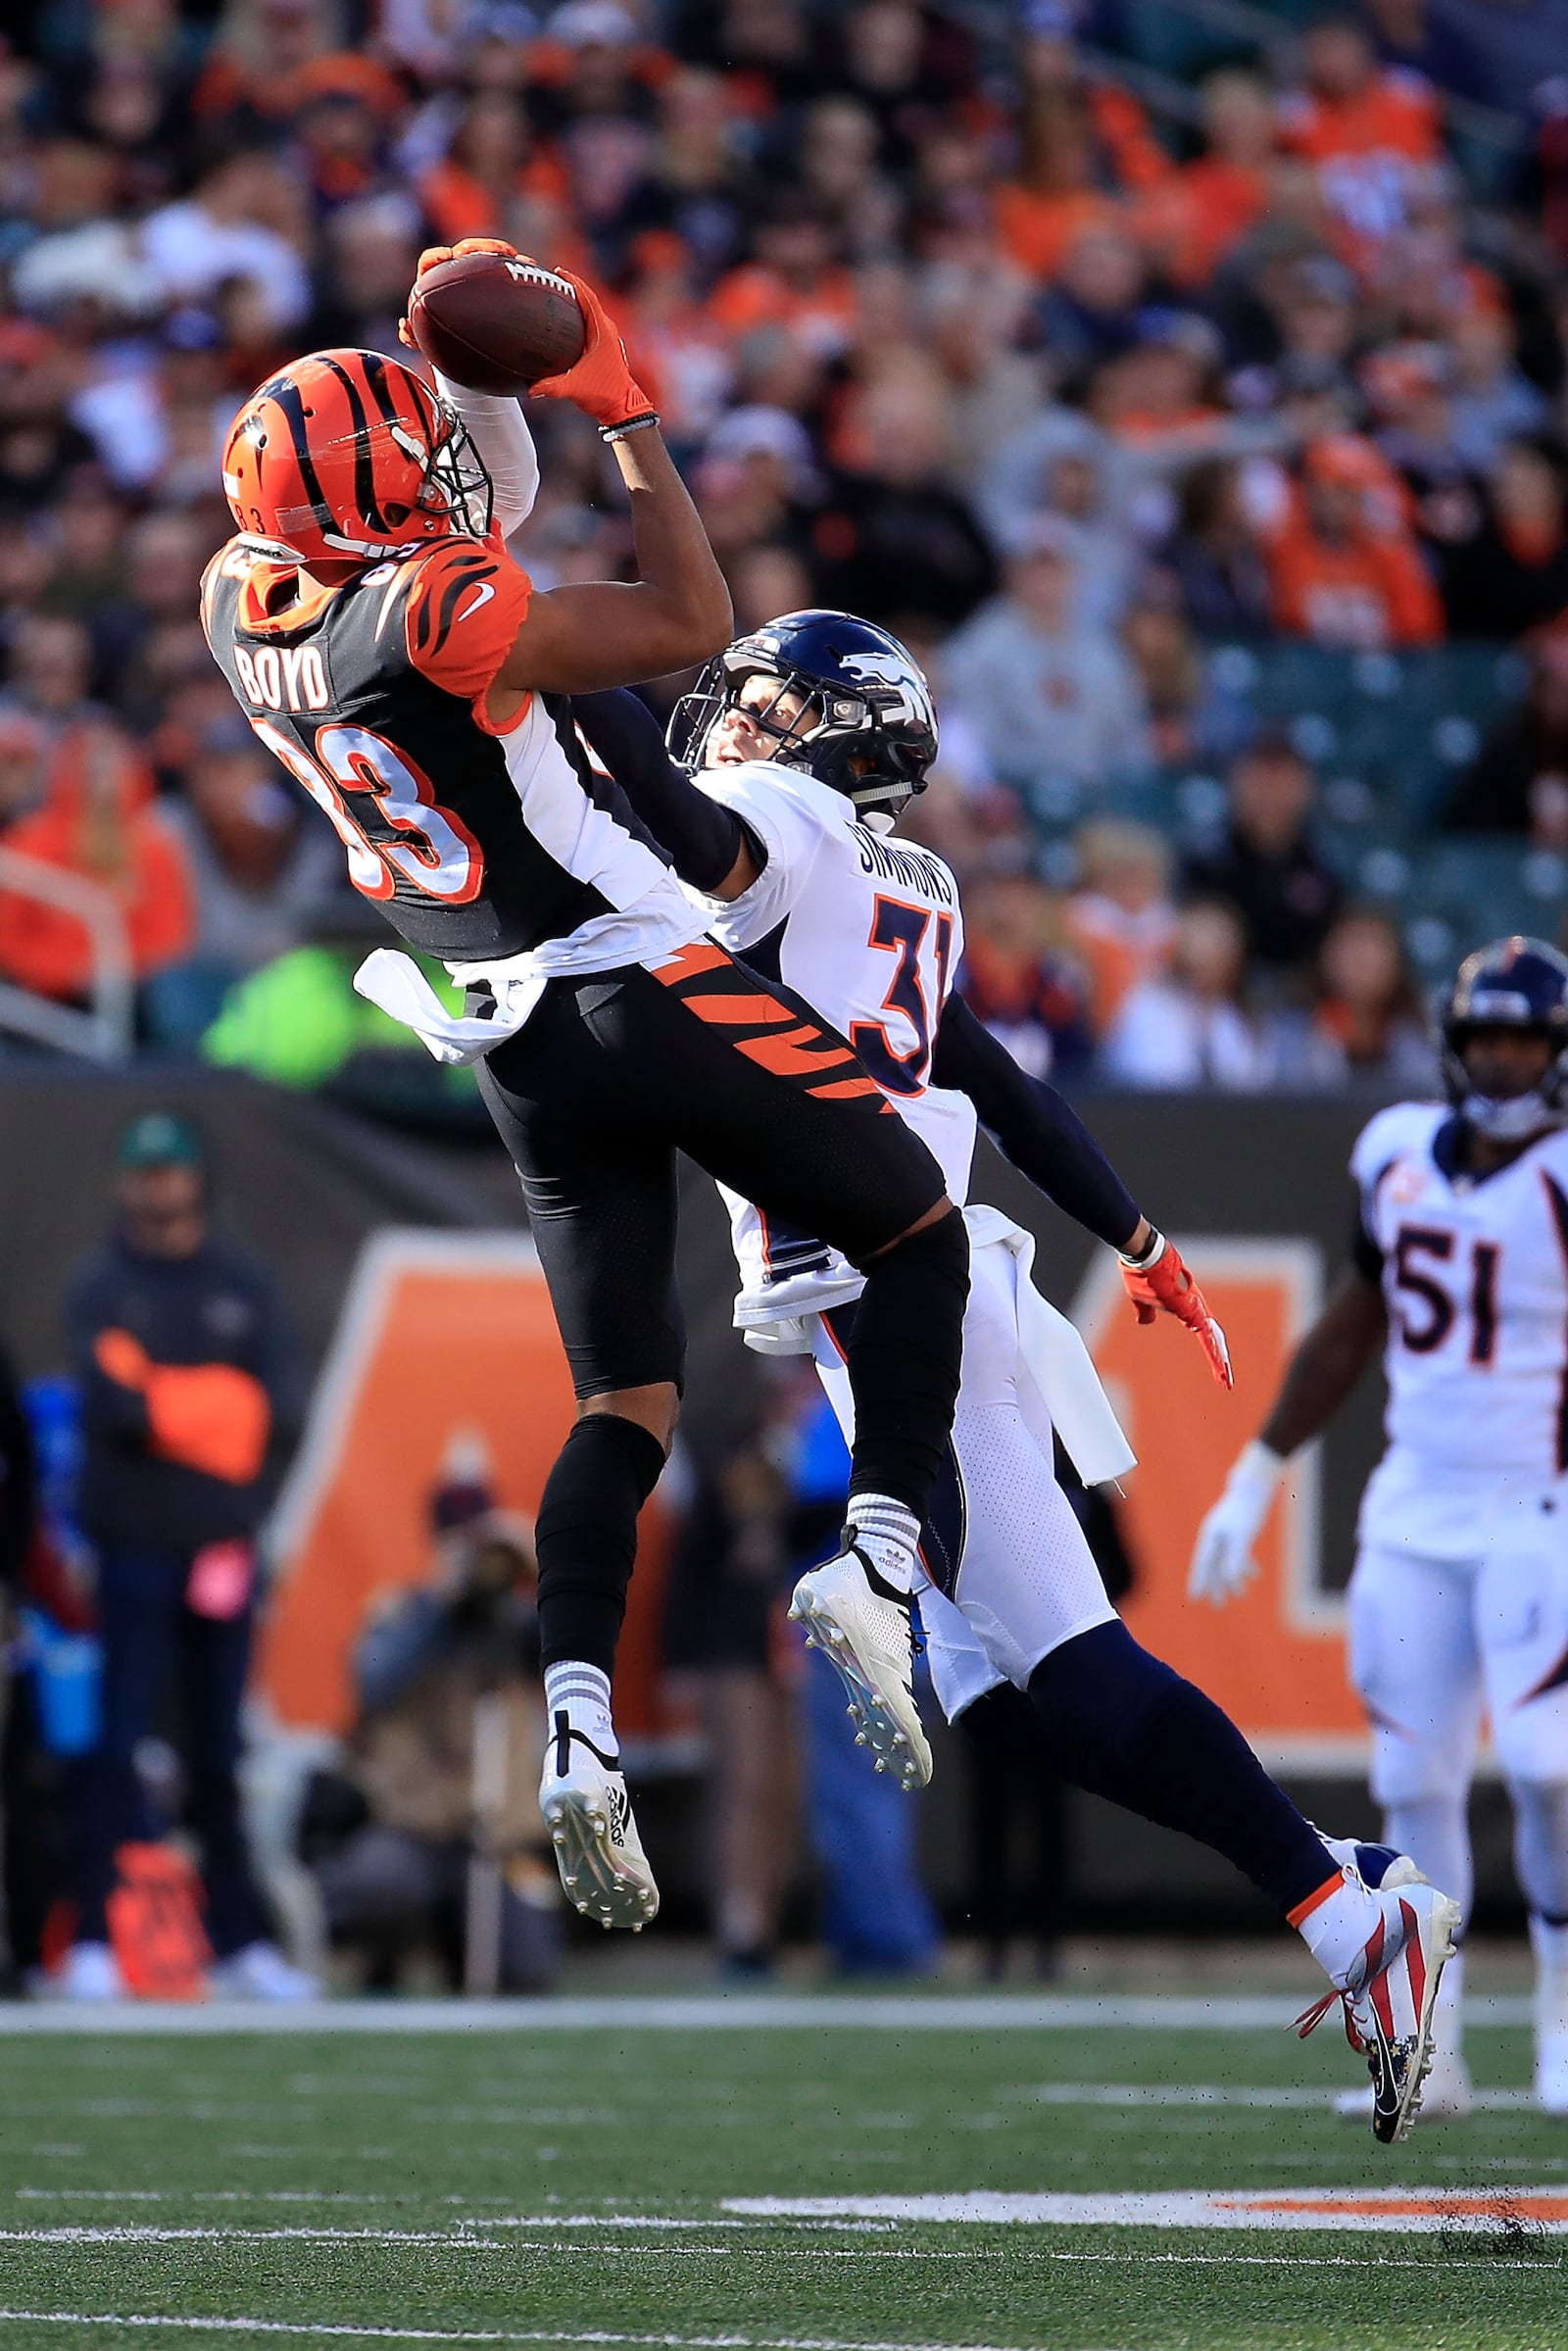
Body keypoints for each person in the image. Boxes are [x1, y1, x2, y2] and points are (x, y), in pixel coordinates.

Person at [576, 621, 1461, 2143]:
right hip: (918, 1273)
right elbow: (999, 1077)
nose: (732, 721)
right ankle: (1344, 1873)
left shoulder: (782, 826)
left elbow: (669, 810)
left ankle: (1341, 1909)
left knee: (1059, 1653)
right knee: (1000, 1686)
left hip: (887, 1275)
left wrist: (546, 644)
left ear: (818, 732)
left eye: (765, 702)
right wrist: (1139, 1234)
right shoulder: (907, 875)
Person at [199, 237, 970, 1935]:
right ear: (391, 506)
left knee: (624, 1401)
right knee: (923, 1231)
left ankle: (571, 1721)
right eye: (418, 448)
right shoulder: (441, 604)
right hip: (632, 972)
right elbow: (692, 625)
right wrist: (626, 417)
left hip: (505, 1041)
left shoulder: (240, 595)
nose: (446, 458)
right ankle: (885, 1560)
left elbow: (434, 509)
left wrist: (462, 384)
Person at [1192, 939, 1568, 2118]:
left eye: (1526, 1040)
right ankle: (1432, 2045)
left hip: (1541, 1503)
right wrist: (1254, 1474)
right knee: (1413, 1774)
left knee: (1555, 1769)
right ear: (1454, 1047)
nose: (1504, 1060)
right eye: (1486, 1038)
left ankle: (1562, 2024)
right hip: (1415, 1501)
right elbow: (1354, 1323)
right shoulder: (1395, 1151)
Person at [61, 1111, 312, 2002]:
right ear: (126, 1184)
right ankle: (91, 1938)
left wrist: (167, 1396)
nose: (158, 1187)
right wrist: (217, 1406)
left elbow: (272, 1415)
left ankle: (241, 1941)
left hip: (221, 1552)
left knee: (218, 1752)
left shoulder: (242, 1281)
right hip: (130, 1544)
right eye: (143, 1172)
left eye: (171, 1171)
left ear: (195, 1180)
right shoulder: (100, 1283)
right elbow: (115, 1411)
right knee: (117, 1740)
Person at [313, 1461, 560, 1994]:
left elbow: (557, 1652)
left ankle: (462, 1950)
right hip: (412, 1830)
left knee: (527, 1969)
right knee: (380, 1883)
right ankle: (384, 1959)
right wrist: (438, 1609)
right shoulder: (402, 1612)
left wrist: (531, 1574)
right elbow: (373, 1684)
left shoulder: (510, 1623)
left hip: (495, 1837)